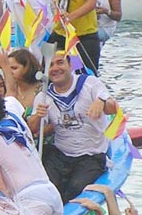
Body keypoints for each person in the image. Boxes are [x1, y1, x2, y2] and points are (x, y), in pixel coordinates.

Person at [29, 52, 118, 203]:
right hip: (62, 154)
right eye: (50, 65)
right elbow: (33, 130)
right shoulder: (44, 97)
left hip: (91, 155)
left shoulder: (90, 83)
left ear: (70, 65)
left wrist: (101, 102)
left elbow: (113, 108)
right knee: (48, 189)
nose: (55, 68)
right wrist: (37, 116)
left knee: (76, 189)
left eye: (60, 63)